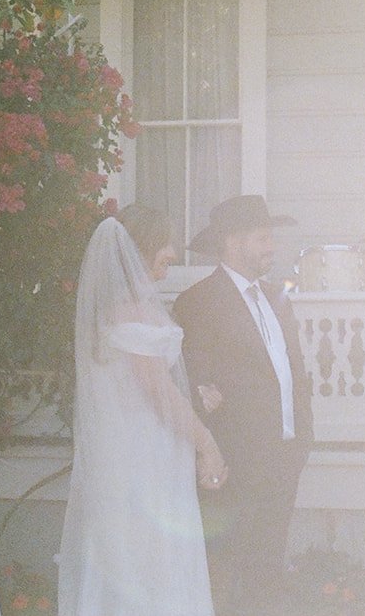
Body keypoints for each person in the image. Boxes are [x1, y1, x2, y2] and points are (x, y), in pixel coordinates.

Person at [58, 208, 228, 616]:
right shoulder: (131, 312)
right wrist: (207, 445)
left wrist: (193, 395)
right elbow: (158, 392)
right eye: (164, 254)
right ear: (142, 249)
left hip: (135, 453)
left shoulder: (115, 309)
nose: (168, 265)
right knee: (150, 564)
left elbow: (139, 385)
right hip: (145, 461)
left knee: (137, 562)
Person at [173, 195, 313, 616]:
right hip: (235, 463)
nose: (272, 247)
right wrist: (211, 448)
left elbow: (291, 368)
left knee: (267, 568)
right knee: (228, 569)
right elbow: (193, 383)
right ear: (234, 242)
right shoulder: (199, 301)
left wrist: (302, 437)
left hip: (284, 455)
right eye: (263, 238)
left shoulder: (275, 296)